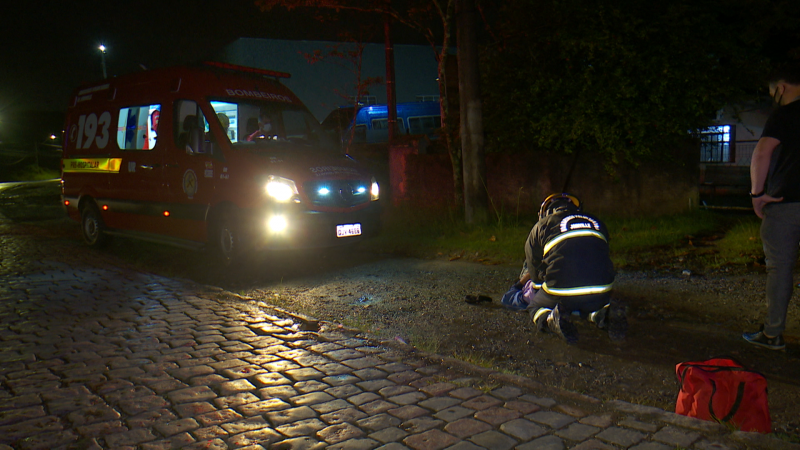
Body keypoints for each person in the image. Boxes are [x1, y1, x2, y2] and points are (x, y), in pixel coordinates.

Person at [500, 193, 625, 343]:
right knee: (587, 300)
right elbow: (601, 256)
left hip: (561, 290)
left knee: (535, 305)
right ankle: (601, 314)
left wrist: (538, 289)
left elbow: (536, 275)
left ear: (544, 213)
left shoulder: (541, 226)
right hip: (602, 288)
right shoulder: (597, 221)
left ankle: (549, 319)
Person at [743, 63, 800, 351]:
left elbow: (762, 153)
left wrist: (757, 194)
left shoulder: (784, 114)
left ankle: (773, 333)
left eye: (771, 91)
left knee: (779, 268)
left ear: (781, 87)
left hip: (785, 202)